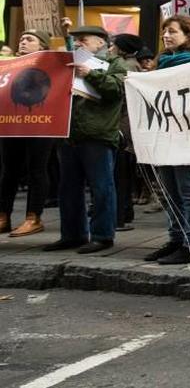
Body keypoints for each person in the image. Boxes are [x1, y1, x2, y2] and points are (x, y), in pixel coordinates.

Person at [44, 25, 127, 254]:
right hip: (70, 135)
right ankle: (72, 234)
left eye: (83, 39)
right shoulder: (68, 65)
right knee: (68, 189)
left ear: (101, 42)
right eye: (76, 40)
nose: (78, 43)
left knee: (102, 188)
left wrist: (90, 74)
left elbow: (117, 89)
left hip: (98, 135)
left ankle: (102, 236)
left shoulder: (115, 64)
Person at [143, 16, 190, 265]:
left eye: (172, 32)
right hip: (164, 134)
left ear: (188, 35)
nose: (166, 36)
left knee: (188, 191)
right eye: (164, 32)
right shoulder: (162, 63)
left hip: (188, 136)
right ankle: (176, 239)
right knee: (170, 192)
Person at [0, 29, 57, 237]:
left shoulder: (51, 65)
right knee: (8, 171)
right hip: (12, 123)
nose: (23, 41)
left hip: (41, 124)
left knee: (37, 170)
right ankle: (3, 216)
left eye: (29, 39)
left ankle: (33, 217)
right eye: (21, 38)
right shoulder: (7, 65)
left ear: (42, 46)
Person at [109, 32, 144, 233]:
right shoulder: (132, 64)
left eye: (114, 44)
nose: (111, 47)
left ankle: (120, 214)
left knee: (120, 172)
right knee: (124, 172)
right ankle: (124, 211)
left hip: (123, 124)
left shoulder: (126, 66)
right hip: (127, 123)